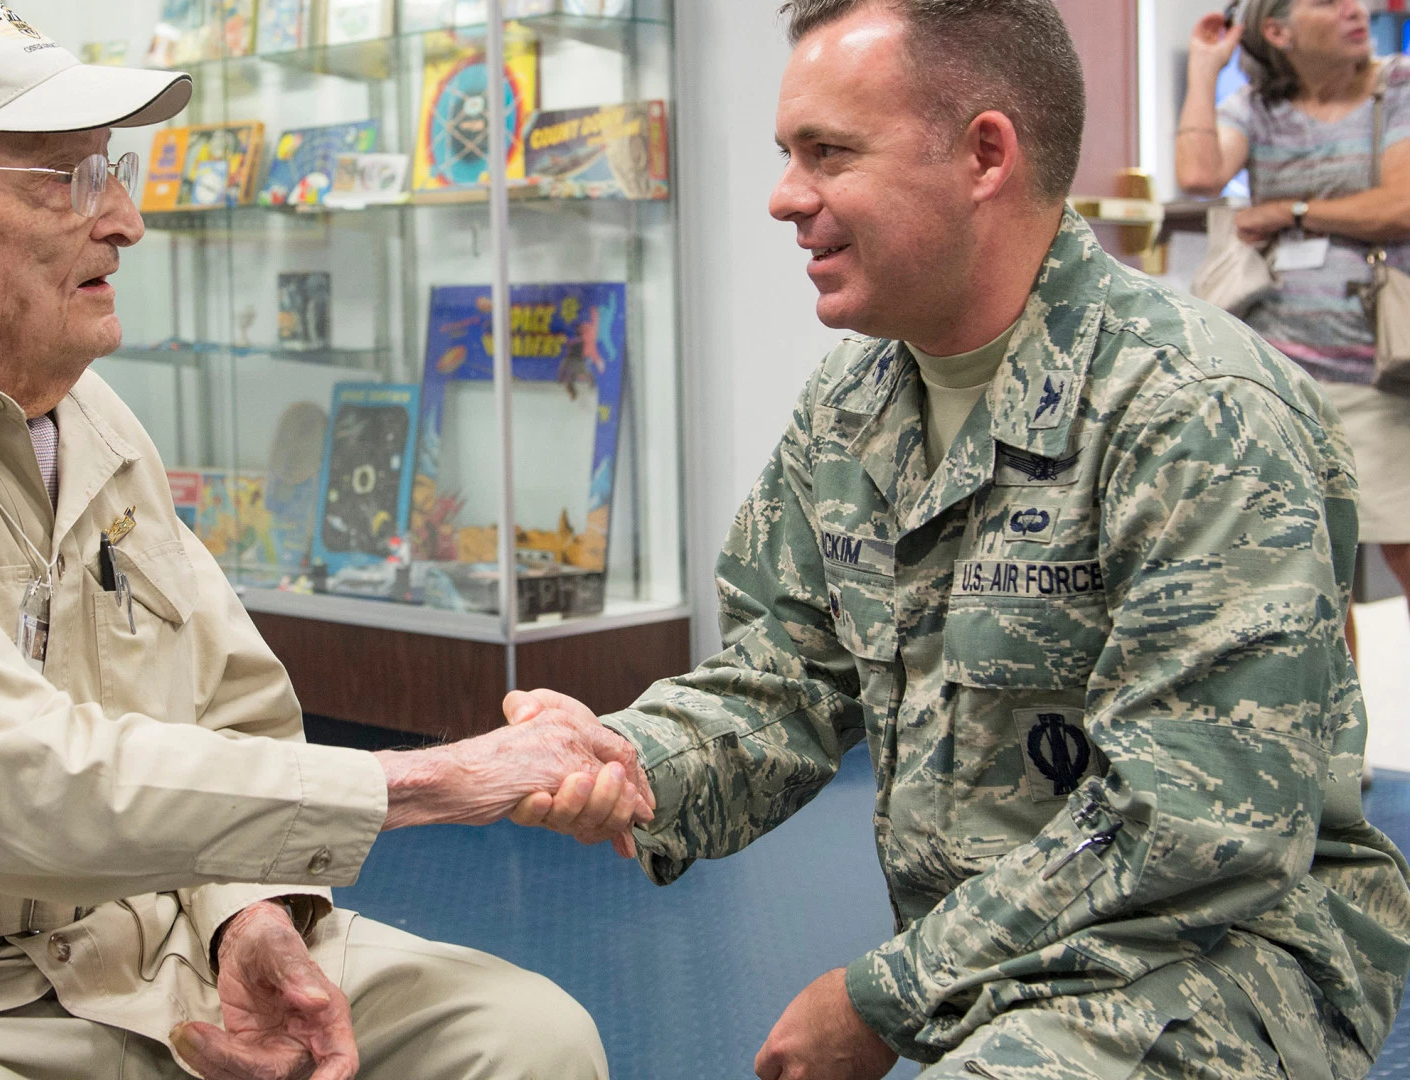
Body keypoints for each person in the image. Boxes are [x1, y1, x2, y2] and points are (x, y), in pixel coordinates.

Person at [0, 3, 651, 1078]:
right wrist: (425, 784)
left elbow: (233, 705)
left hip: (134, 946)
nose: (123, 219)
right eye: (64, 180)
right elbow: (11, 780)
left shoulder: (86, 415)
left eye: (109, 169)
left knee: (523, 1038)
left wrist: (249, 916)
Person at [506, 0, 1410, 1077]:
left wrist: (881, 999)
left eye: (829, 154)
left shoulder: (1192, 410)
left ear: (985, 154)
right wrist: (626, 760)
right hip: (989, 960)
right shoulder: (856, 398)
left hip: (1219, 953)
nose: (785, 197)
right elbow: (785, 676)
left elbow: (1193, 828)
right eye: (789, 155)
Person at [1177, 0, 1410, 608]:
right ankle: (1336, 705)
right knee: (1311, 568)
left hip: (1379, 368)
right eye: (1328, 3)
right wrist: (1204, 68)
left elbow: (1400, 206)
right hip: (1280, 377)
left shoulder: (1397, 86)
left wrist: (1290, 212)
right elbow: (1199, 172)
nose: (1354, 10)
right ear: (1278, 31)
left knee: (1405, 545)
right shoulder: (1256, 107)